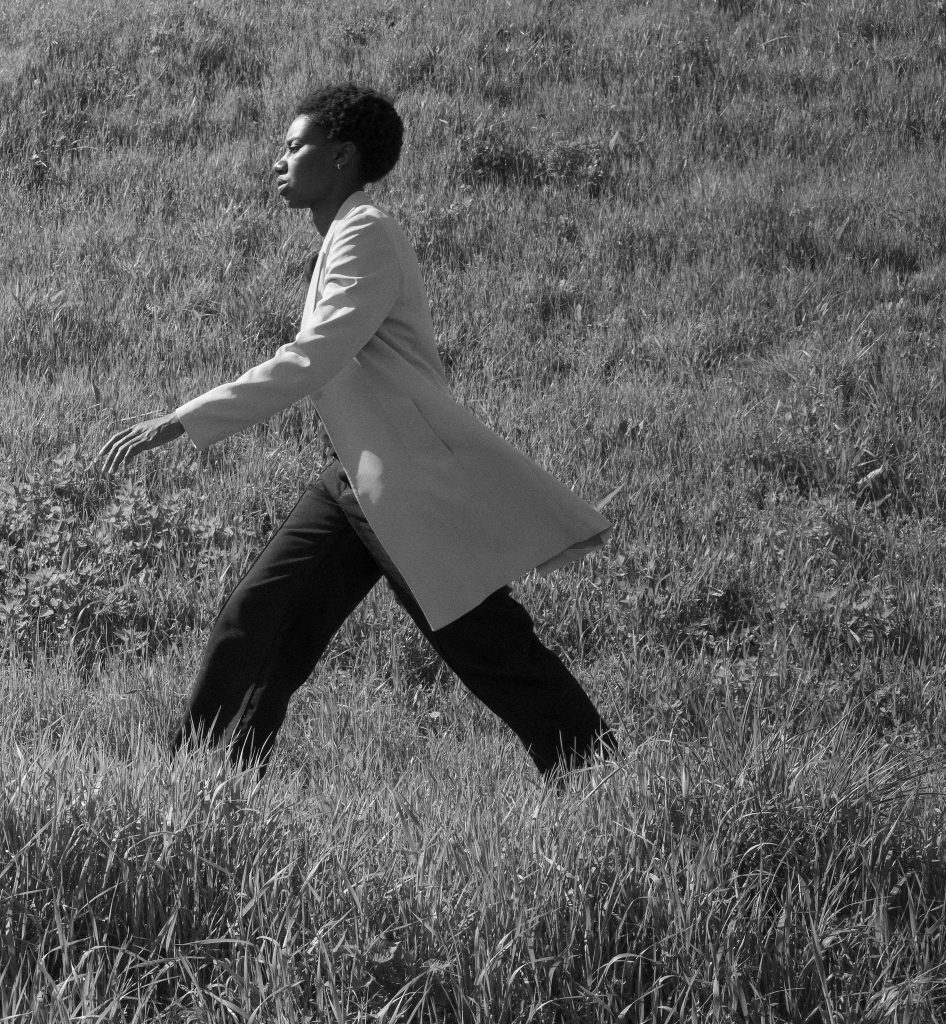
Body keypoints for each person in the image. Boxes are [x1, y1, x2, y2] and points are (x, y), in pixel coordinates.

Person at [98, 84, 615, 778]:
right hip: (358, 479)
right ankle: (205, 781)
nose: (279, 161)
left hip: (404, 483)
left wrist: (181, 420)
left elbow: (313, 358)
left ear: (340, 156)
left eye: (294, 147)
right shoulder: (345, 235)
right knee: (259, 620)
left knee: (486, 645)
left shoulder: (366, 232)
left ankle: (594, 770)